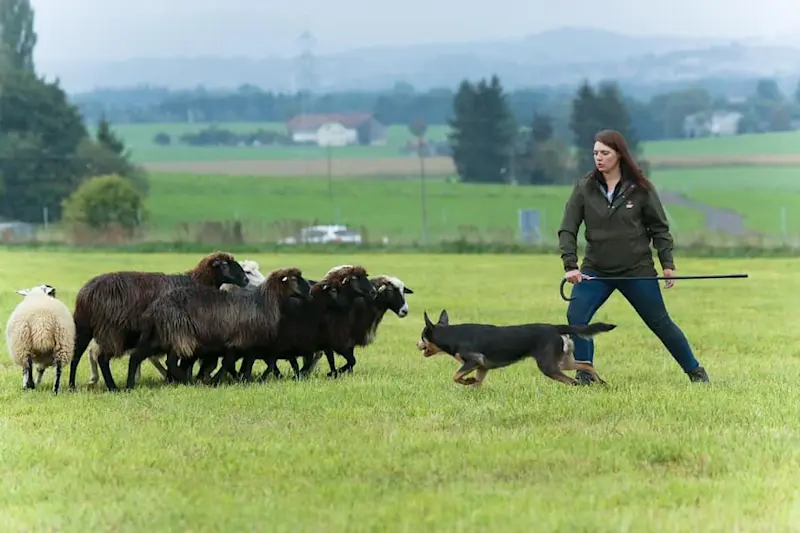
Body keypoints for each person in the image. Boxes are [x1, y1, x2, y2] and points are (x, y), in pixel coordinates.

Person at [557, 129, 709, 384]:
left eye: (605, 153)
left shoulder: (640, 188)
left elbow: (659, 228)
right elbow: (567, 228)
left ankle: (696, 372)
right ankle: (586, 374)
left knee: (660, 323)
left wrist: (667, 264)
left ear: (619, 155)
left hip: (636, 271)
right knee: (577, 318)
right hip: (596, 271)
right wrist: (570, 265)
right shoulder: (584, 188)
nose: (599, 158)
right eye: (595, 153)